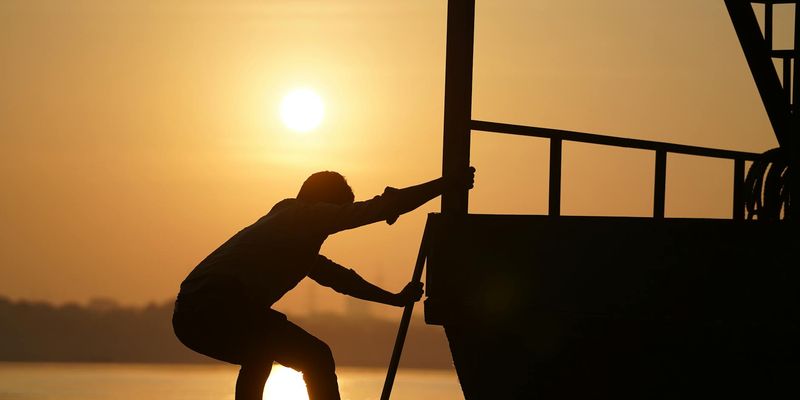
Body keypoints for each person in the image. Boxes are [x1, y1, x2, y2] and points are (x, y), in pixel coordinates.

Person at [172, 167, 475, 400]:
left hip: (192, 316)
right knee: (299, 354)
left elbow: (340, 279)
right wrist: (446, 184)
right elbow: (378, 209)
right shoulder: (302, 216)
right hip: (212, 305)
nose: (328, 229)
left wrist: (393, 299)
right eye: (333, 215)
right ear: (322, 205)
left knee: (264, 351)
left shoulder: (292, 236)